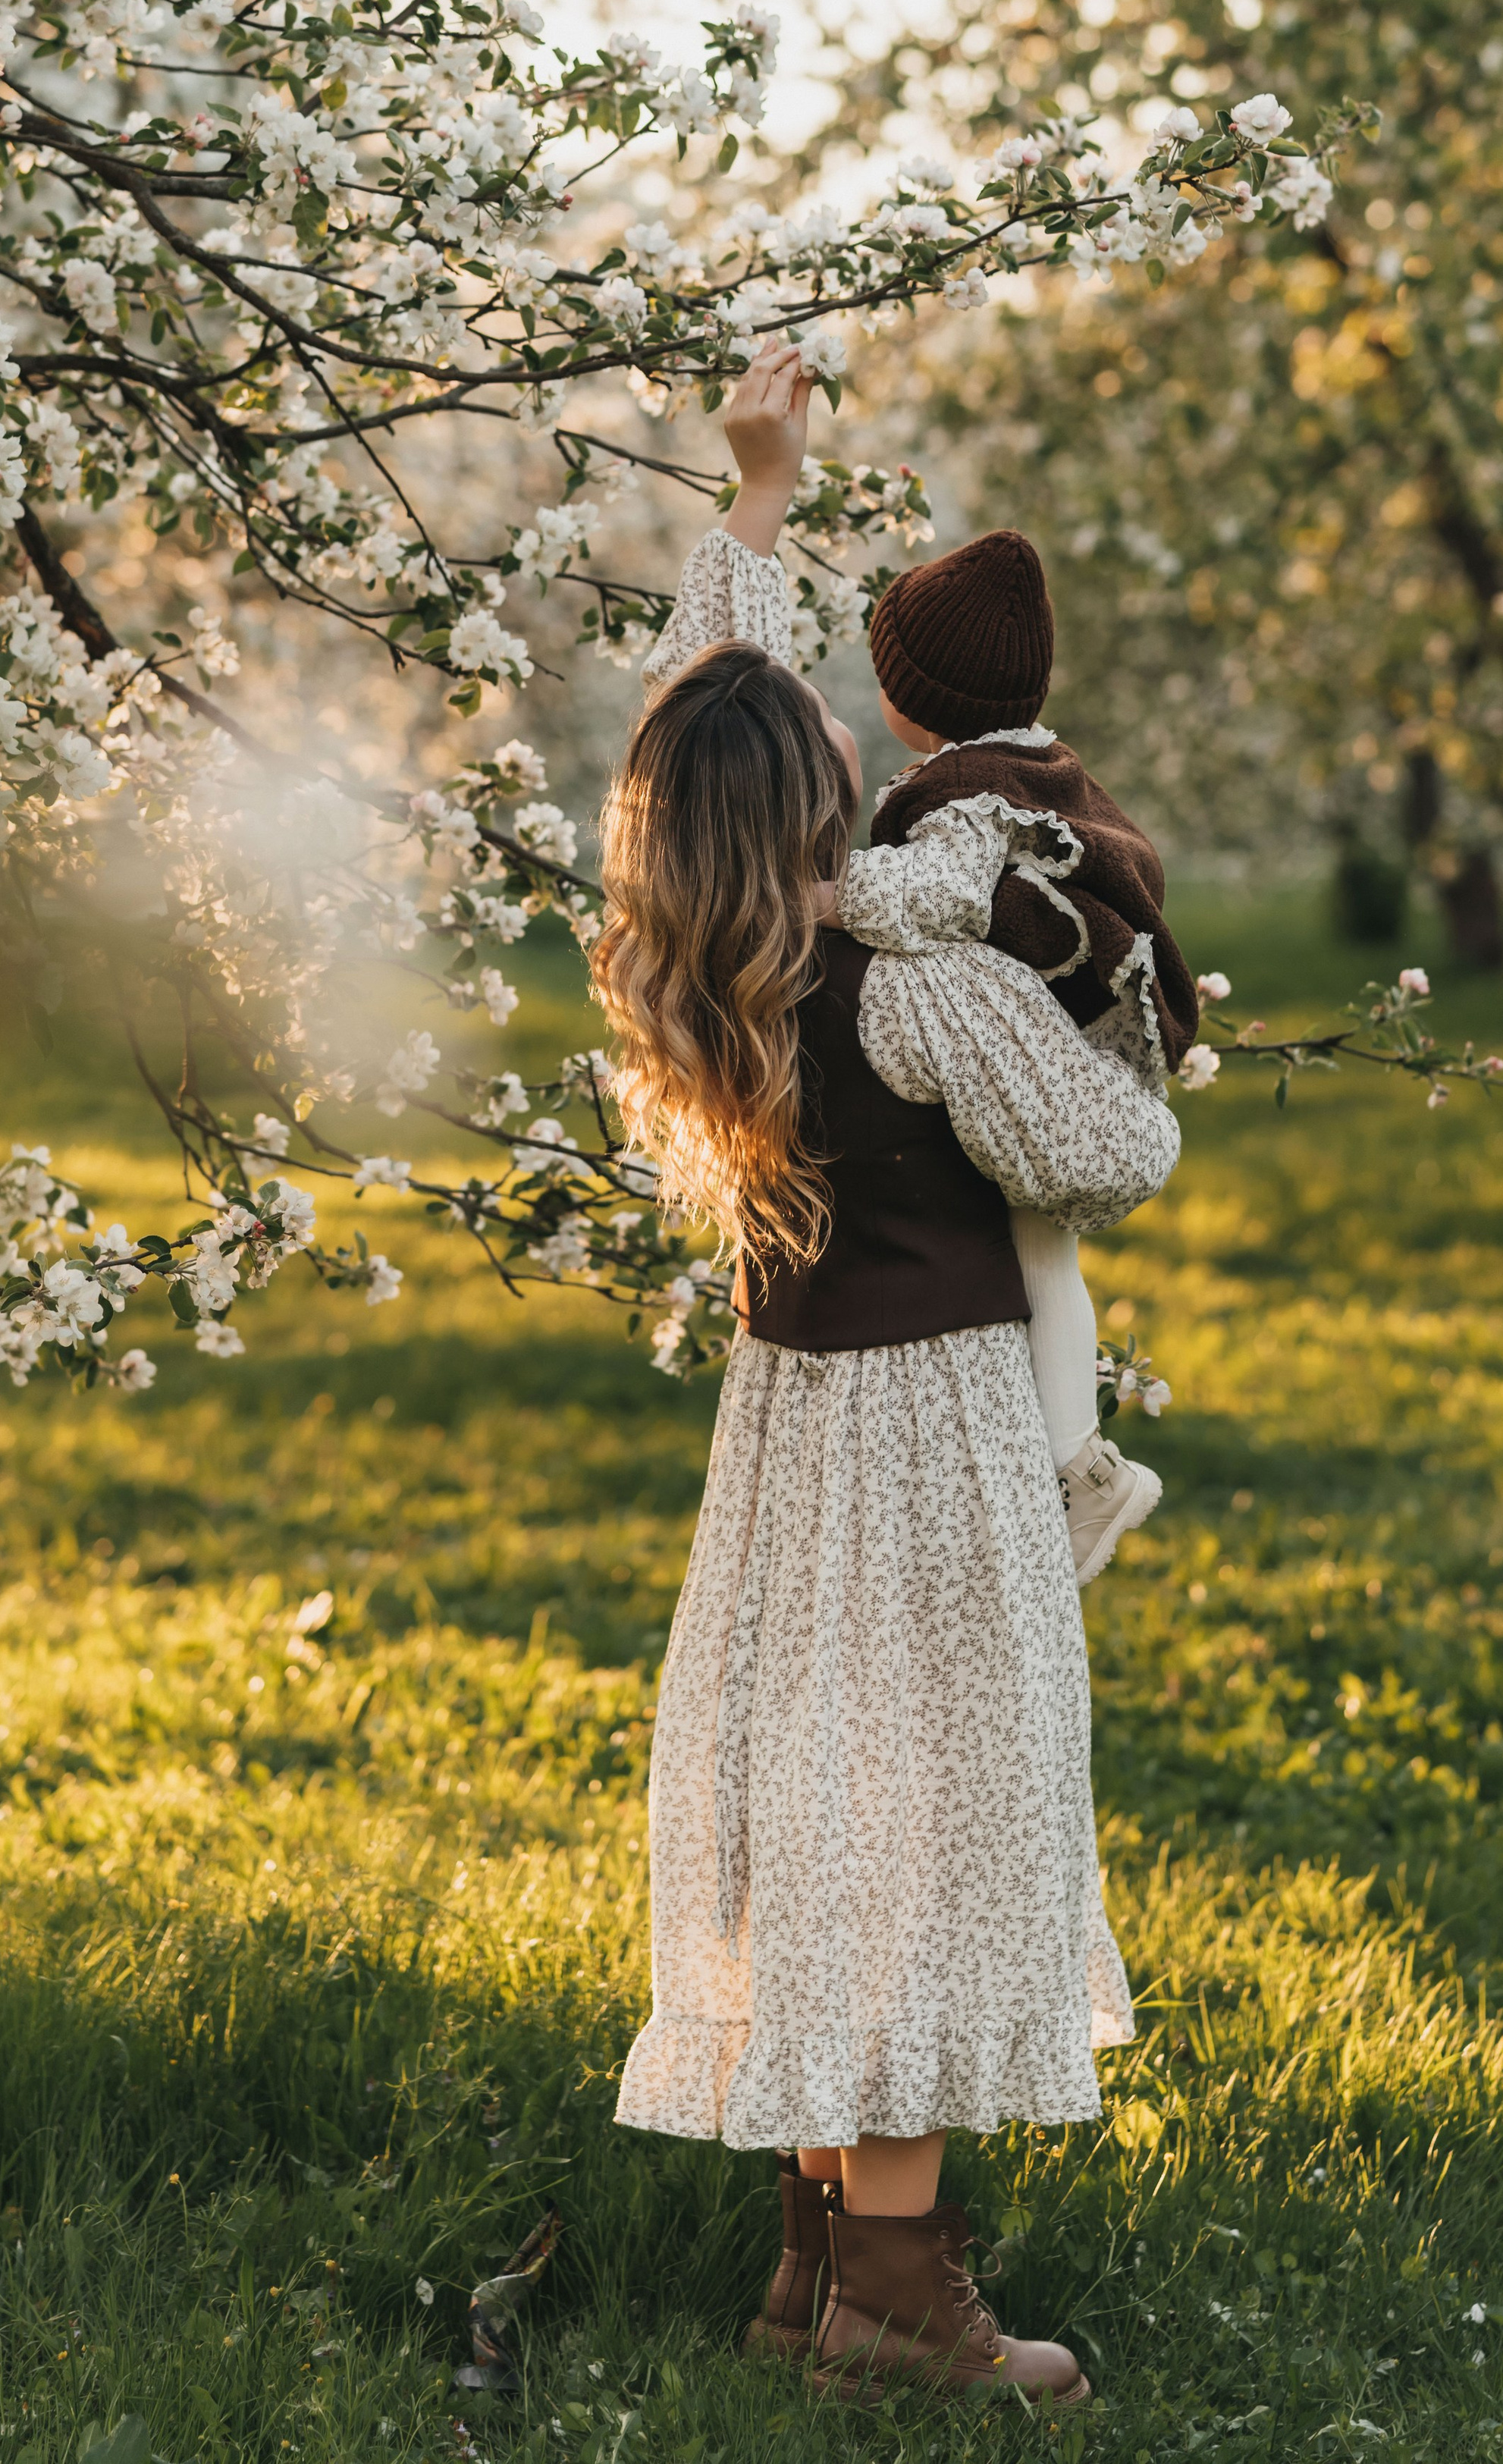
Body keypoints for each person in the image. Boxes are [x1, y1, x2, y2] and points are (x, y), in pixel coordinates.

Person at [594, 344, 1181, 2406]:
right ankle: (898, 2296)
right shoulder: (916, 982)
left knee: (820, 1802)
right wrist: (1103, 1031)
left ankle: (813, 2248)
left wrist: (758, 497)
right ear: (833, 792)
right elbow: (1116, 1153)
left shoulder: (702, 976)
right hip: (929, 1429)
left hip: (786, 1444)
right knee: (932, 1806)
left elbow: (699, 717)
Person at [827, 524, 1200, 1585]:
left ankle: (1077, 1467)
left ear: (913, 695)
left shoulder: (959, 797)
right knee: (1050, 1258)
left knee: (1038, 1252)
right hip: (1085, 1040)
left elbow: (940, 897)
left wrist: (827, 897)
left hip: (1049, 1061)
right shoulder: (1041, 765)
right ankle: (1075, 1458)